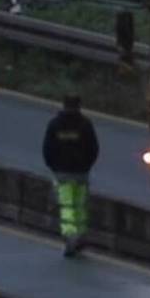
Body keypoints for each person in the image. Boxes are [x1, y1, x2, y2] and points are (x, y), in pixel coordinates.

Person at [41, 95, 100, 257]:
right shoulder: (85, 124)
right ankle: (80, 236)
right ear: (79, 106)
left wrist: (54, 167)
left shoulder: (55, 124)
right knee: (80, 206)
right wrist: (86, 166)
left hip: (62, 173)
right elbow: (93, 149)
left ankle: (70, 238)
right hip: (80, 173)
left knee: (67, 206)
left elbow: (47, 149)